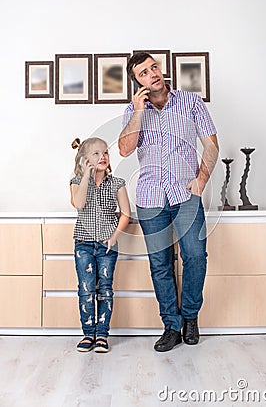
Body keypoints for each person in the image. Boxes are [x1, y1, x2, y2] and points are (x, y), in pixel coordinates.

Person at [118, 53, 219, 352]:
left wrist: (200, 180)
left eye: (154, 68)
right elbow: (124, 149)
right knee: (160, 264)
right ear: (137, 81)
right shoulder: (131, 111)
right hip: (150, 197)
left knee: (195, 256)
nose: (153, 74)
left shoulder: (191, 102)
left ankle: (190, 318)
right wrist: (138, 111)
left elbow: (211, 144)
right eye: (144, 73)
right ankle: (171, 326)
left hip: (185, 194)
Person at [70, 137, 130, 353]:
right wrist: (86, 174)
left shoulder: (117, 183)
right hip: (83, 244)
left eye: (105, 152)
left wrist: (114, 237)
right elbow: (79, 204)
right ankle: (88, 334)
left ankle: (102, 334)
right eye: (96, 153)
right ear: (85, 159)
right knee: (86, 290)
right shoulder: (77, 182)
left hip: (106, 246)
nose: (102, 157)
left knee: (105, 289)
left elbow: (125, 214)